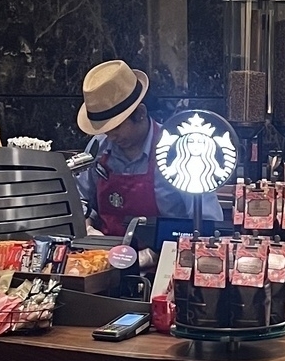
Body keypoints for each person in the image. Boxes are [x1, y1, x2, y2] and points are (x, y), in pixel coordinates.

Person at [75, 59, 221, 236]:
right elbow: (79, 199)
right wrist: (88, 228)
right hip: (104, 250)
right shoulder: (99, 146)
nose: (111, 136)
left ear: (141, 113)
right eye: (105, 130)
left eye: (117, 127)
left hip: (164, 250)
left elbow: (207, 220)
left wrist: (169, 247)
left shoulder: (178, 151)